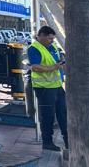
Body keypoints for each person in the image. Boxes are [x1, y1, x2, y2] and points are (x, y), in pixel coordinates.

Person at [28, 23, 69, 155]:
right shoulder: (34, 48)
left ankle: (68, 140)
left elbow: (57, 59)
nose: (51, 41)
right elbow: (35, 67)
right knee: (48, 116)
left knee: (63, 113)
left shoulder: (52, 47)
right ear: (41, 36)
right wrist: (54, 67)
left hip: (56, 86)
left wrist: (61, 61)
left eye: (52, 39)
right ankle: (47, 142)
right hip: (44, 88)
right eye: (49, 38)